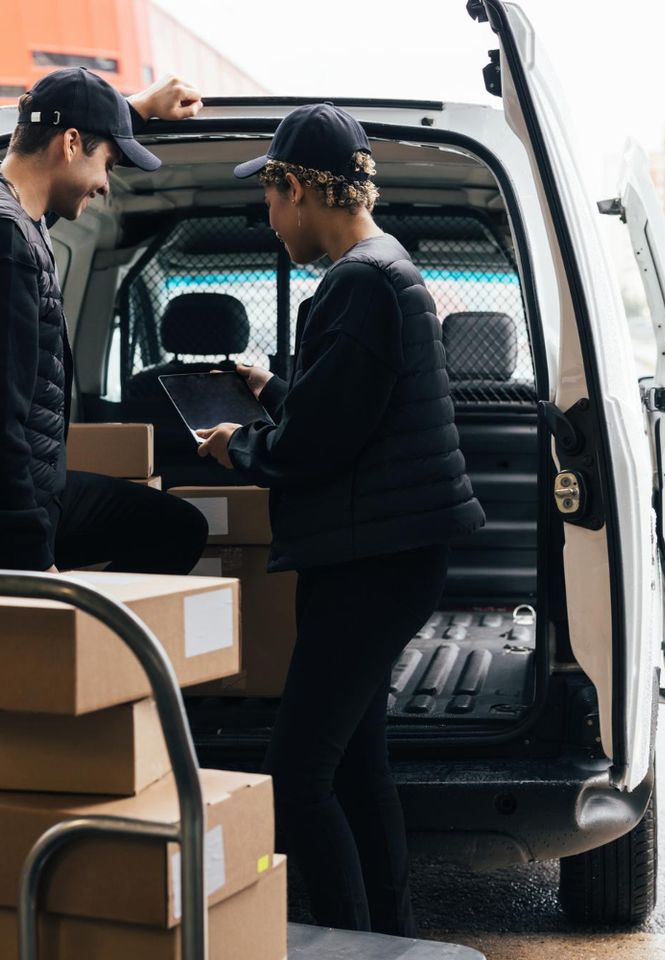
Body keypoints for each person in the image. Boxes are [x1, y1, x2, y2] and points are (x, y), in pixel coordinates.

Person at [196, 102, 486, 936]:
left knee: (298, 771)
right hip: (384, 555)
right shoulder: (383, 266)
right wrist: (268, 390)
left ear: (297, 188)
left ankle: (347, 942)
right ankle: (384, 938)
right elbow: (347, 412)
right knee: (357, 765)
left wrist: (236, 449)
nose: (269, 215)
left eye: (270, 196)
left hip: (374, 562)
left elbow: (316, 446)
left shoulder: (359, 282)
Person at [0, 67, 209, 575]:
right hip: (17, 511)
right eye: (109, 164)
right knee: (174, 531)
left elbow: (51, 146)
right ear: (71, 143)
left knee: (177, 527)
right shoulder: (8, 244)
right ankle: (94, 644)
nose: (106, 186)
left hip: (42, 488)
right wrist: (32, 555)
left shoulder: (22, 220)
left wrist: (130, 109)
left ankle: (101, 641)